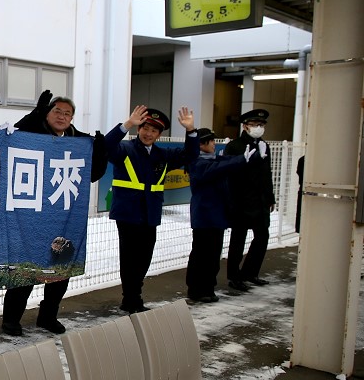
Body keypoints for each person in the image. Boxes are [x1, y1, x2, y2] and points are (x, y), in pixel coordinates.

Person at [0, 90, 108, 336]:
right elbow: (16, 134)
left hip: (64, 218)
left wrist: (100, 151)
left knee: (60, 270)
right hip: (30, 217)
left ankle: (48, 317)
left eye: (67, 113)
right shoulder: (32, 134)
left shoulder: (79, 141)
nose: (61, 116)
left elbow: (92, 174)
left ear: (72, 118)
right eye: (56, 111)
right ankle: (11, 319)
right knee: (25, 269)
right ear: (47, 114)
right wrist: (35, 113)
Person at [106, 105, 199, 313]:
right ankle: (130, 299)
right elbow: (105, 146)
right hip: (128, 214)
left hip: (150, 214)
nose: (148, 133)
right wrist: (127, 124)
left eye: (154, 130)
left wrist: (191, 131)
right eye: (145, 128)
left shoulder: (163, 154)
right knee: (130, 259)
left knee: (144, 258)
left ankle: (134, 296)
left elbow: (191, 155)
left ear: (159, 134)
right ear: (139, 129)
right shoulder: (126, 149)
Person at [185, 128, 260, 303]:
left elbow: (228, 161)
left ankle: (208, 288)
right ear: (202, 144)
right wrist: (242, 159)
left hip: (217, 216)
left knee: (212, 255)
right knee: (201, 255)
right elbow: (219, 167)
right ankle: (196, 290)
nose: (214, 144)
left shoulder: (214, 159)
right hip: (204, 217)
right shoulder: (197, 163)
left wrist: (253, 157)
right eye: (211, 141)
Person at [224, 109, 274, 291]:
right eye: (254, 125)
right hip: (241, 200)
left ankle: (250, 272)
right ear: (245, 126)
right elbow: (229, 175)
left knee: (262, 236)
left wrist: (270, 197)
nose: (258, 128)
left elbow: (267, 174)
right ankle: (234, 276)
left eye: (261, 125)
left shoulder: (264, 146)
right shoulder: (235, 146)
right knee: (238, 238)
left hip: (260, 201)